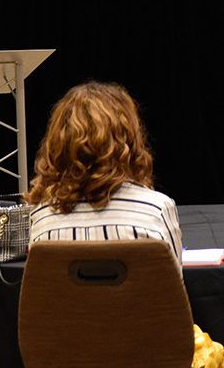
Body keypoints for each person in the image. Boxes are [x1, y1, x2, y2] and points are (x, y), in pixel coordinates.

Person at [23, 81, 182, 267]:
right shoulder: (157, 210)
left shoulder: (42, 218)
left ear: (59, 143)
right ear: (129, 138)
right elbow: (173, 291)